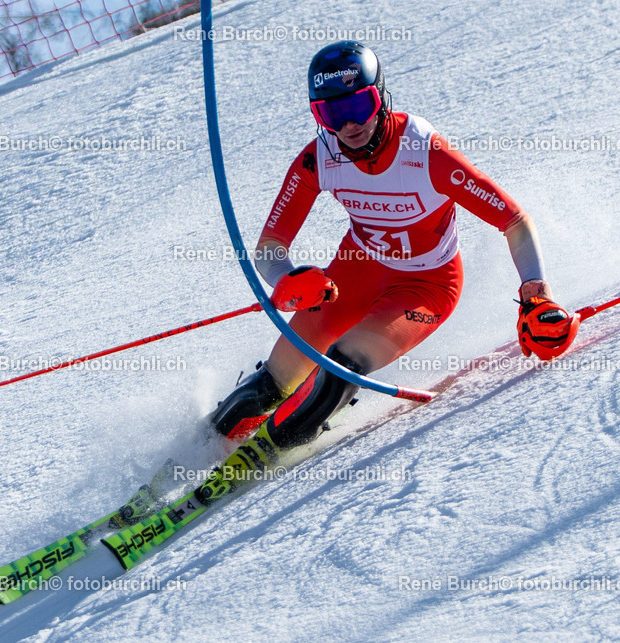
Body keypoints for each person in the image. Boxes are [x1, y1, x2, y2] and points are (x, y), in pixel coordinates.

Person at [208, 41, 579, 462]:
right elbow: (270, 247)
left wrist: (536, 295)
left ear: (381, 97)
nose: (350, 124)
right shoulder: (320, 158)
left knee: (339, 368)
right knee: (264, 389)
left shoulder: (425, 152)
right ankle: (191, 459)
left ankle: (256, 460)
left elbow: (513, 219)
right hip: (353, 274)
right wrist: (287, 280)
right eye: (332, 114)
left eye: (359, 105)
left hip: (426, 287)